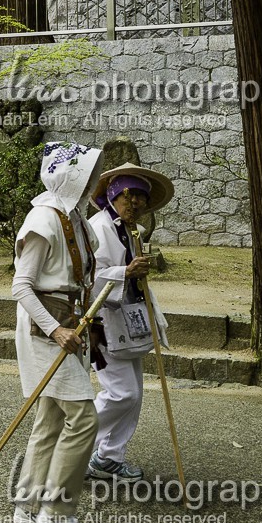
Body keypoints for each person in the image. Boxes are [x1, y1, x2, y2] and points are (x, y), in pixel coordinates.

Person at [11, 141, 105, 523]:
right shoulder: (42, 219)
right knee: (83, 417)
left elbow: (79, 276)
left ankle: (27, 502)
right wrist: (54, 331)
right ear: (69, 176)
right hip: (45, 327)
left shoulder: (77, 219)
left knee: (51, 416)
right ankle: (58, 512)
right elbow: (21, 286)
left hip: (70, 321)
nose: (92, 181)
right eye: (86, 173)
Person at [85, 164, 173, 482]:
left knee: (134, 394)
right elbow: (87, 278)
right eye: (130, 194)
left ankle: (108, 458)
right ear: (113, 194)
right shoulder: (97, 228)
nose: (135, 203)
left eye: (141, 198)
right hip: (101, 323)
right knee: (122, 394)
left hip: (128, 321)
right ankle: (72, 446)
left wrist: (135, 272)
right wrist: (125, 273)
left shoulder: (129, 230)